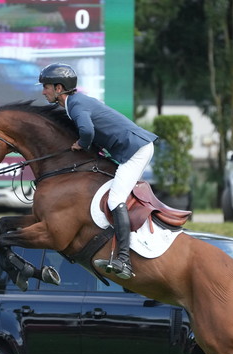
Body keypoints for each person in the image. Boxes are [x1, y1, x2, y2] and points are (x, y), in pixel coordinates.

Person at [39, 63, 158, 280]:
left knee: (115, 200)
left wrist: (81, 144)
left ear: (59, 88)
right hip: (133, 147)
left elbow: (87, 130)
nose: (43, 91)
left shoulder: (75, 105)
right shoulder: (74, 103)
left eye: (46, 87)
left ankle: (123, 259)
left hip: (136, 150)